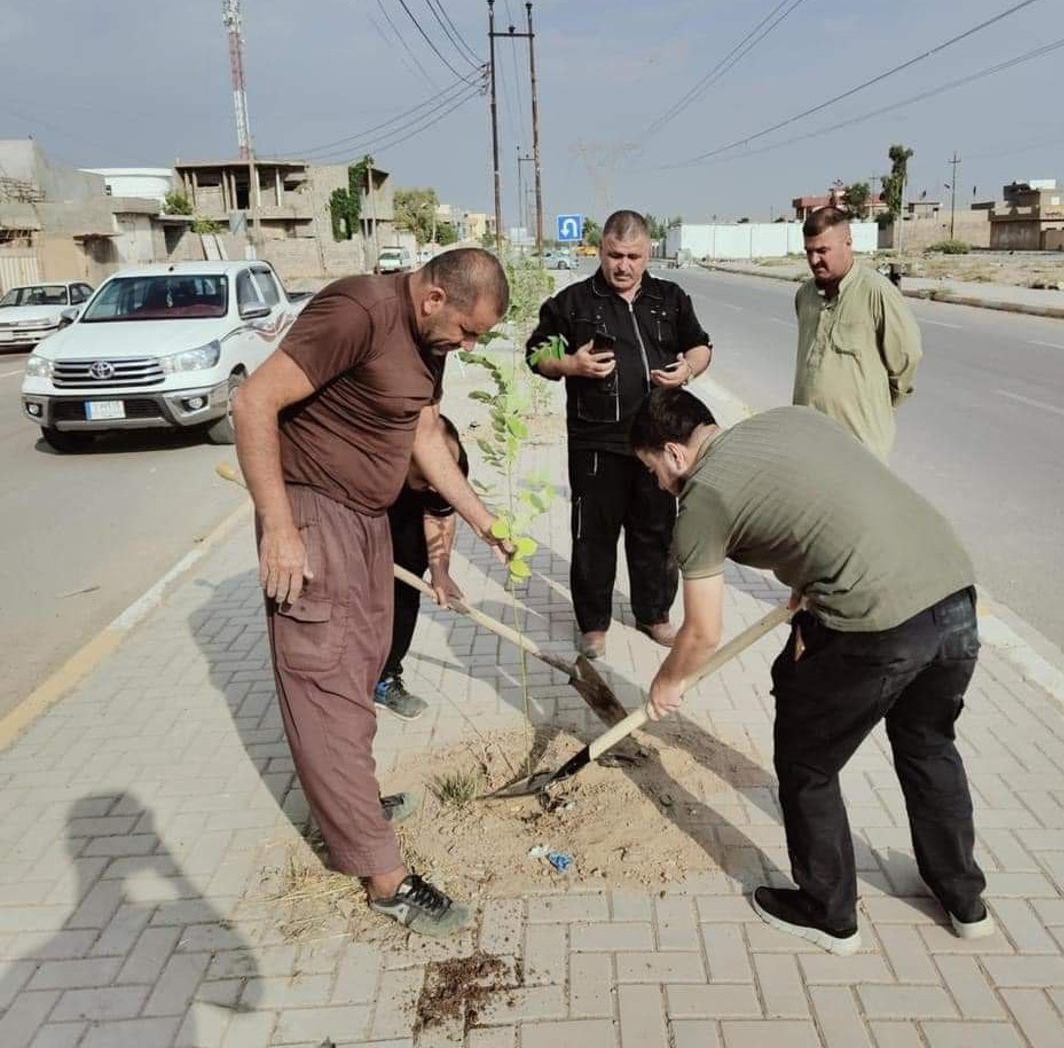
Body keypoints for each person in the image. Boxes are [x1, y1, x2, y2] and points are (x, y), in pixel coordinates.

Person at [631, 387, 991, 956]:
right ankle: (965, 900)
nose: (655, 483)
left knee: (807, 761)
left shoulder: (701, 500)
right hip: (953, 592)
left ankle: (828, 912)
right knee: (928, 744)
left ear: (674, 454)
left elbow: (701, 632)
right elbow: (831, 503)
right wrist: (810, 576)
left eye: (651, 469)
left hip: (877, 623)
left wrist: (667, 682)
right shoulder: (789, 420)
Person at [233, 248, 510, 938]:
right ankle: (386, 878)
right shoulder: (358, 310)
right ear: (434, 298)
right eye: (469, 331)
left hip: (365, 521)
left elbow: (422, 434)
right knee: (324, 682)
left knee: (363, 667)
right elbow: (252, 401)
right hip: (312, 514)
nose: (470, 347)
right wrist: (278, 527)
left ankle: (353, 805)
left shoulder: (430, 344)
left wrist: (484, 521)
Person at [525, 209, 712, 660]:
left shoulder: (670, 299)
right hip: (597, 444)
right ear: (600, 250)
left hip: (658, 443)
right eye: (614, 255)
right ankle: (593, 625)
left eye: (632, 256)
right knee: (594, 537)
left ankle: (654, 615)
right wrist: (570, 365)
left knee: (656, 533)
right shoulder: (572, 304)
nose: (622, 266)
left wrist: (687, 368)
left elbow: (701, 346)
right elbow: (535, 354)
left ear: (648, 254)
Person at [794, 205, 922, 462]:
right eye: (809, 251)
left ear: (848, 244)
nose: (814, 260)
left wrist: (877, 405)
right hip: (809, 441)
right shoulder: (805, 296)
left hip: (858, 448)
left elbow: (907, 358)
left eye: (822, 251)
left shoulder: (876, 293)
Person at [374, 415, 469, 720]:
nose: (437, 485)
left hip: (407, 515)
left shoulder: (448, 466)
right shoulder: (374, 456)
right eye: (429, 476)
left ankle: (384, 678)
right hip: (364, 507)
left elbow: (440, 515)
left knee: (406, 589)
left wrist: (439, 570)